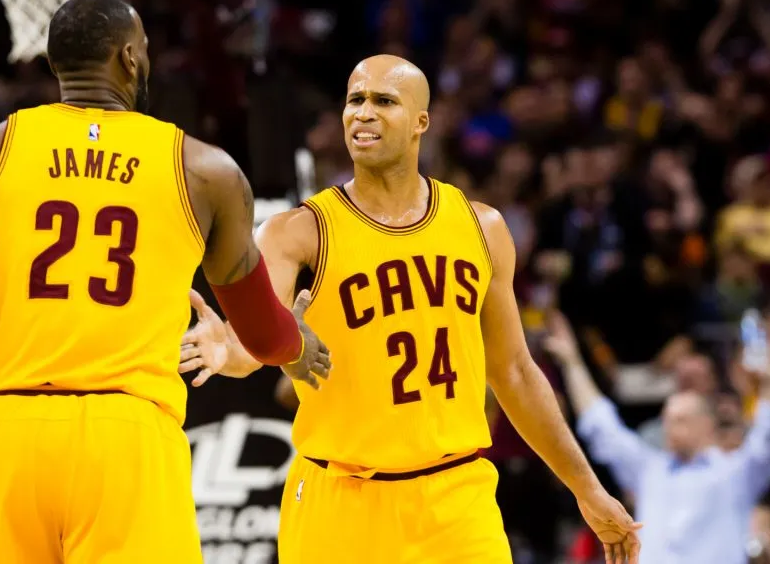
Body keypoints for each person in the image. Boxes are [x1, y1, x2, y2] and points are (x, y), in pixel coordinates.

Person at [0, 0, 330, 564]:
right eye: (143, 50)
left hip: (8, 434)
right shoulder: (203, 169)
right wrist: (295, 340)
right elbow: (262, 332)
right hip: (129, 437)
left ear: (52, 63)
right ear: (129, 58)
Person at [180, 54, 641, 563]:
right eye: (355, 100)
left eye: (383, 101)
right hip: (340, 500)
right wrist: (226, 349)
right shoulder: (297, 232)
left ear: (421, 121)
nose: (363, 113)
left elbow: (513, 371)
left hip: (455, 498)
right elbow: (255, 343)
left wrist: (587, 488)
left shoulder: (482, 228)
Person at [543, 311, 770, 564]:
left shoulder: (735, 473)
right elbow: (601, 424)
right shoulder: (650, 469)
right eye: (666, 420)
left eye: (680, 420)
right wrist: (572, 361)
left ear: (706, 424)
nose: (669, 428)